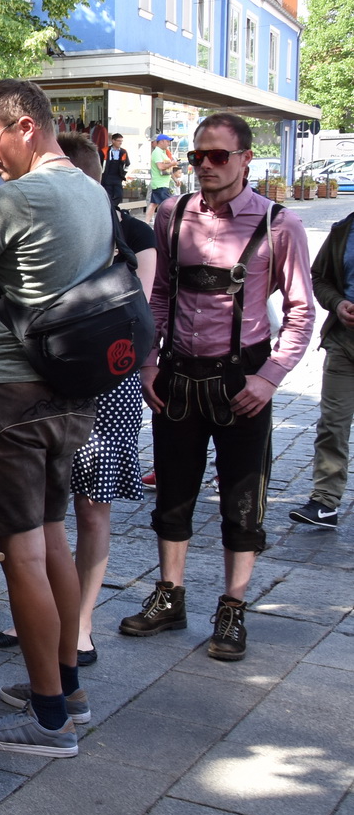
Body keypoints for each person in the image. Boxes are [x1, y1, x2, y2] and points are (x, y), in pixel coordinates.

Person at [0, 79, 113, 757]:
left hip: (11, 395)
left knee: (23, 553)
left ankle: (47, 718)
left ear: (26, 127)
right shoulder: (94, 193)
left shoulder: (17, 198)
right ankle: (68, 687)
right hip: (70, 390)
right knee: (54, 537)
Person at [122, 113, 314, 662]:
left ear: (246, 158)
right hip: (177, 376)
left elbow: (301, 312)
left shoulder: (281, 225)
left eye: (218, 156)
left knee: (242, 500)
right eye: (196, 156)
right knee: (174, 492)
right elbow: (158, 295)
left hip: (242, 380)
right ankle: (170, 595)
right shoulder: (172, 213)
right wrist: (148, 363)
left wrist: (269, 377)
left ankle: (232, 608)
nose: (204, 165)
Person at [0, 134, 157, 669]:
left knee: (91, 508)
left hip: (107, 382)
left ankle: (82, 623)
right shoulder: (47, 230)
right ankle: (38, 616)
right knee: (49, 512)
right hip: (53, 380)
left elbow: (131, 311)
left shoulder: (133, 233)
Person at [291, 205, 354, 528]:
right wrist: (338, 304)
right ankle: (325, 501)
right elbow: (320, 278)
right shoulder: (343, 230)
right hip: (344, 342)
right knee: (333, 424)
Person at [145, 135, 177, 223]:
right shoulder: (157, 152)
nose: (169, 144)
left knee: (154, 204)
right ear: (162, 141)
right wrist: (172, 164)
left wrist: (175, 179)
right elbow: (161, 166)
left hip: (162, 183)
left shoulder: (162, 152)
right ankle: (169, 222)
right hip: (160, 184)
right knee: (168, 204)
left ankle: (147, 223)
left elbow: (167, 169)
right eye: (167, 141)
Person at [100, 133, 129, 207]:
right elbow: (99, 163)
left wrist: (123, 174)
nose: (120, 142)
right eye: (118, 141)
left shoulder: (123, 152)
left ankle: (113, 207)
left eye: (121, 141)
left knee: (119, 195)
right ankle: (110, 209)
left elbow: (127, 164)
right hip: (106, 177)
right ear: (113, 141)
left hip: (118, 177)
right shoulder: (104, 151)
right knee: (107, 195)